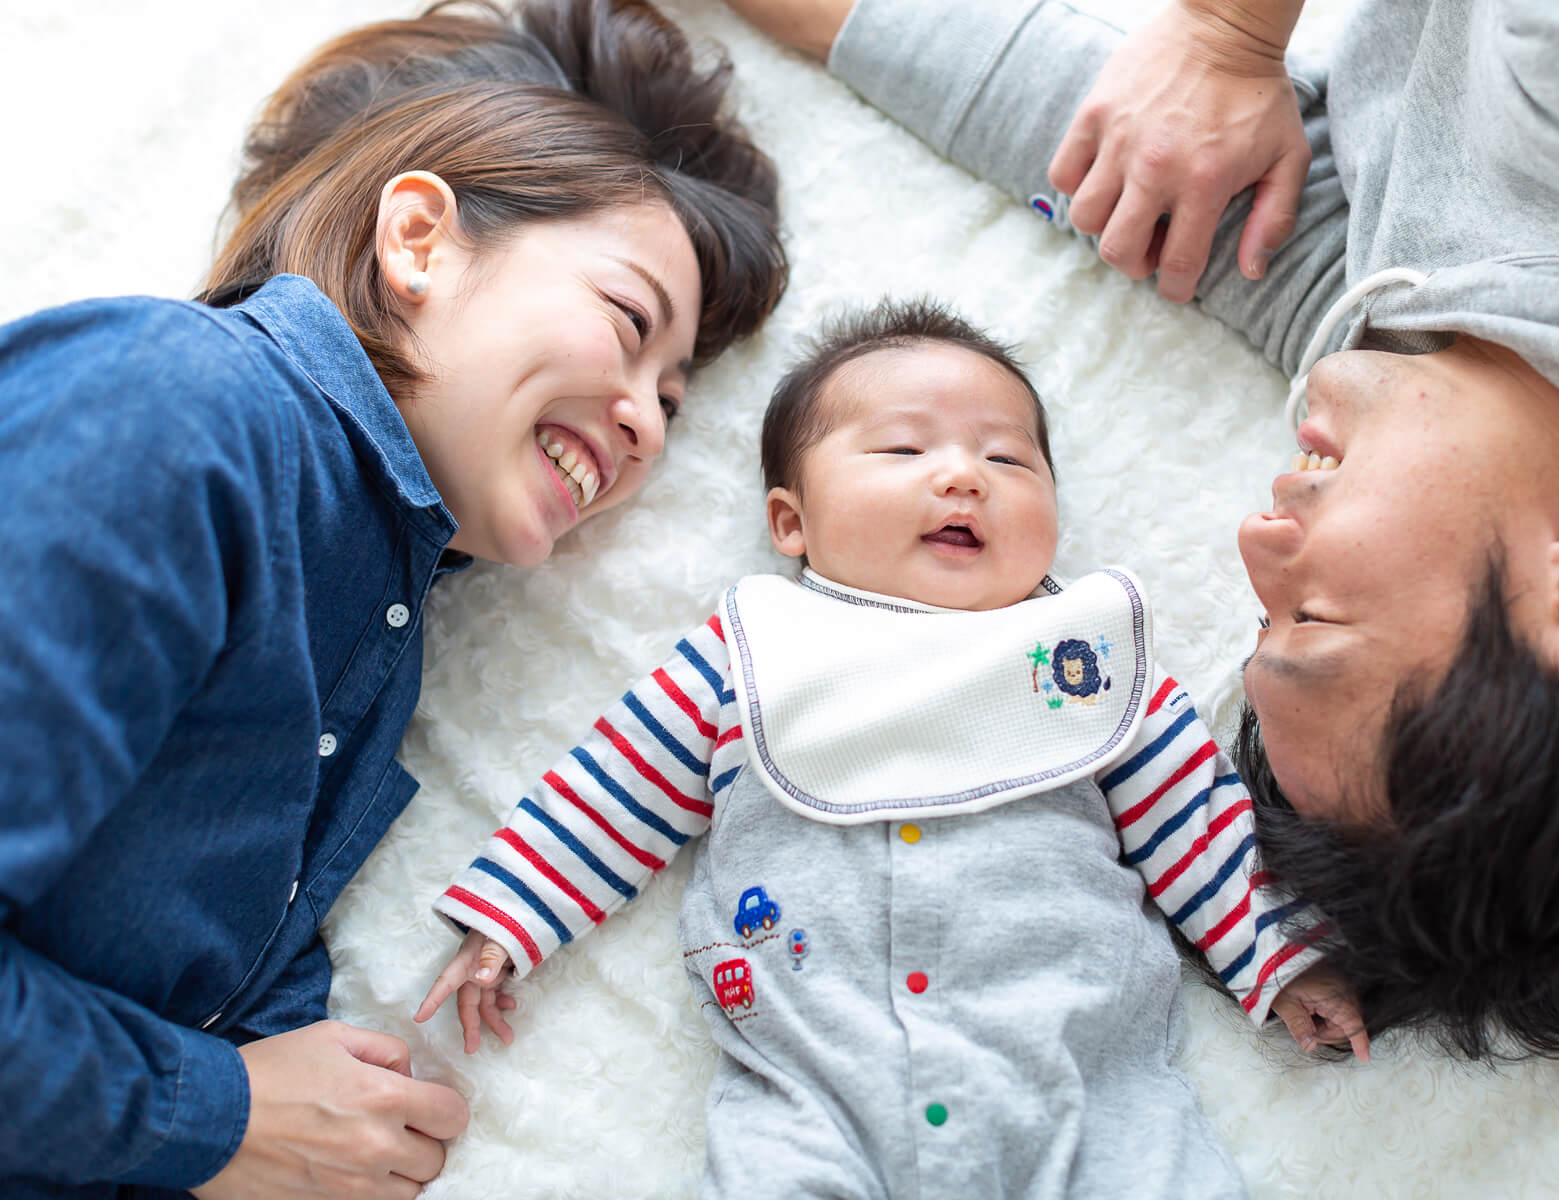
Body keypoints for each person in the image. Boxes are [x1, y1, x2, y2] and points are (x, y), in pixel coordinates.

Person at [717, 0, 1559, 1058]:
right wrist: (1227, 32)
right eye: (1312, 611)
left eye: (1261, 613)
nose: (1255, 536)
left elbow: (1123, 159)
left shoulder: (1429, 355)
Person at [0, 1, 785, 1195]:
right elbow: (230, 1109)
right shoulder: (179, 409)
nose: (646, 424)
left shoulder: (377, 628)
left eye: (674, 403)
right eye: (628, 325)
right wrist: (218, 1117)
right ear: (418, 240)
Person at [414, 298, 1369, 1198]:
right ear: (791, 522)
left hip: (1082, 1083)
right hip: (819, 1092)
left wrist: (1282, 955)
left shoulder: (1078, 660)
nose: (963, 476)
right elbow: (616, 785)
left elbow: (1194, 819)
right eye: (905, 448)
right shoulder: (752, 655)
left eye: (1009, 460)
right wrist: (514, 913)